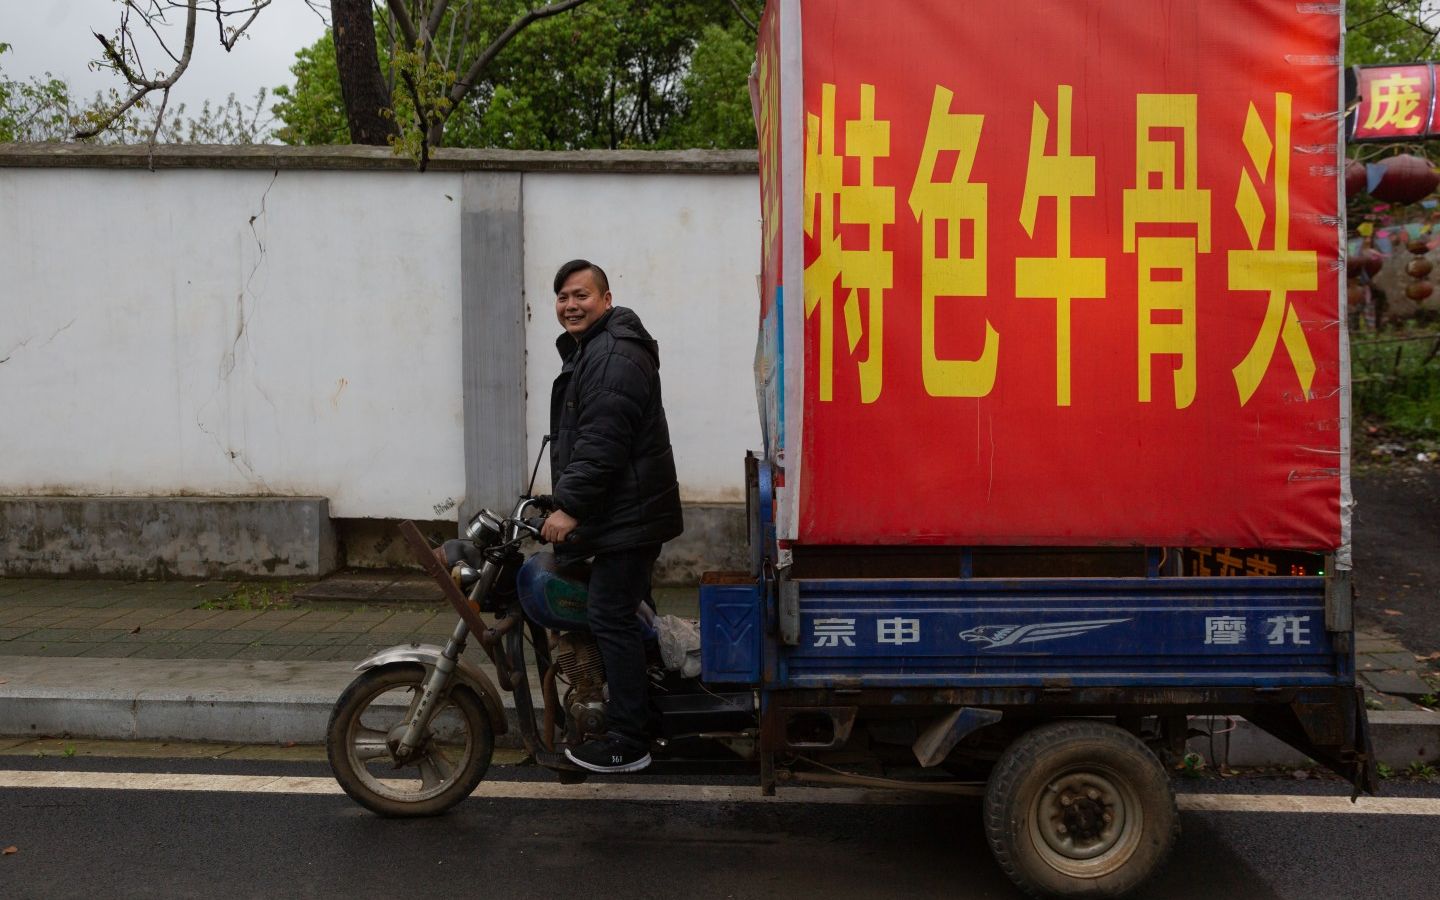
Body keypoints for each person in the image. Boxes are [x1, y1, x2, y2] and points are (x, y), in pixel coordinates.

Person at [540, 258, 684, 774]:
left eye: (581, 295)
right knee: (627, 615)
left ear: (604, 298)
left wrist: (571, 507)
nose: (570, 305)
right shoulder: (595, 350)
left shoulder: (614, 353)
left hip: (629, 516)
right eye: (562, 297)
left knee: (610, 615)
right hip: (626, 511)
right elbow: (587, 441)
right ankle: (649, 713)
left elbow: (604, 442)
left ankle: (628, 740)